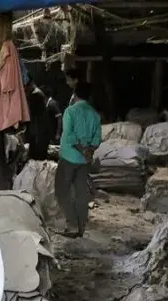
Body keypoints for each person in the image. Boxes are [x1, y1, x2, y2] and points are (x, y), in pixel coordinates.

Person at [56, 80, 101, 237]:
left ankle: (72, 225)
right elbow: (96, 140)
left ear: (75, 94)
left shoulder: (70, 111)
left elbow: (69, 135)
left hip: (69, 157)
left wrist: (81, 149)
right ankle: (81, 228)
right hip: (84, 161)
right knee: (81, 194)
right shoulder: (95, 115)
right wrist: (88, 151)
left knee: (62, 190)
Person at [24, 80, 52, 161]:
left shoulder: (36, 95)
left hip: (38, 135)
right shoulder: (37, 94)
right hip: (39, 134)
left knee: (36, 159)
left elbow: (35, 117)